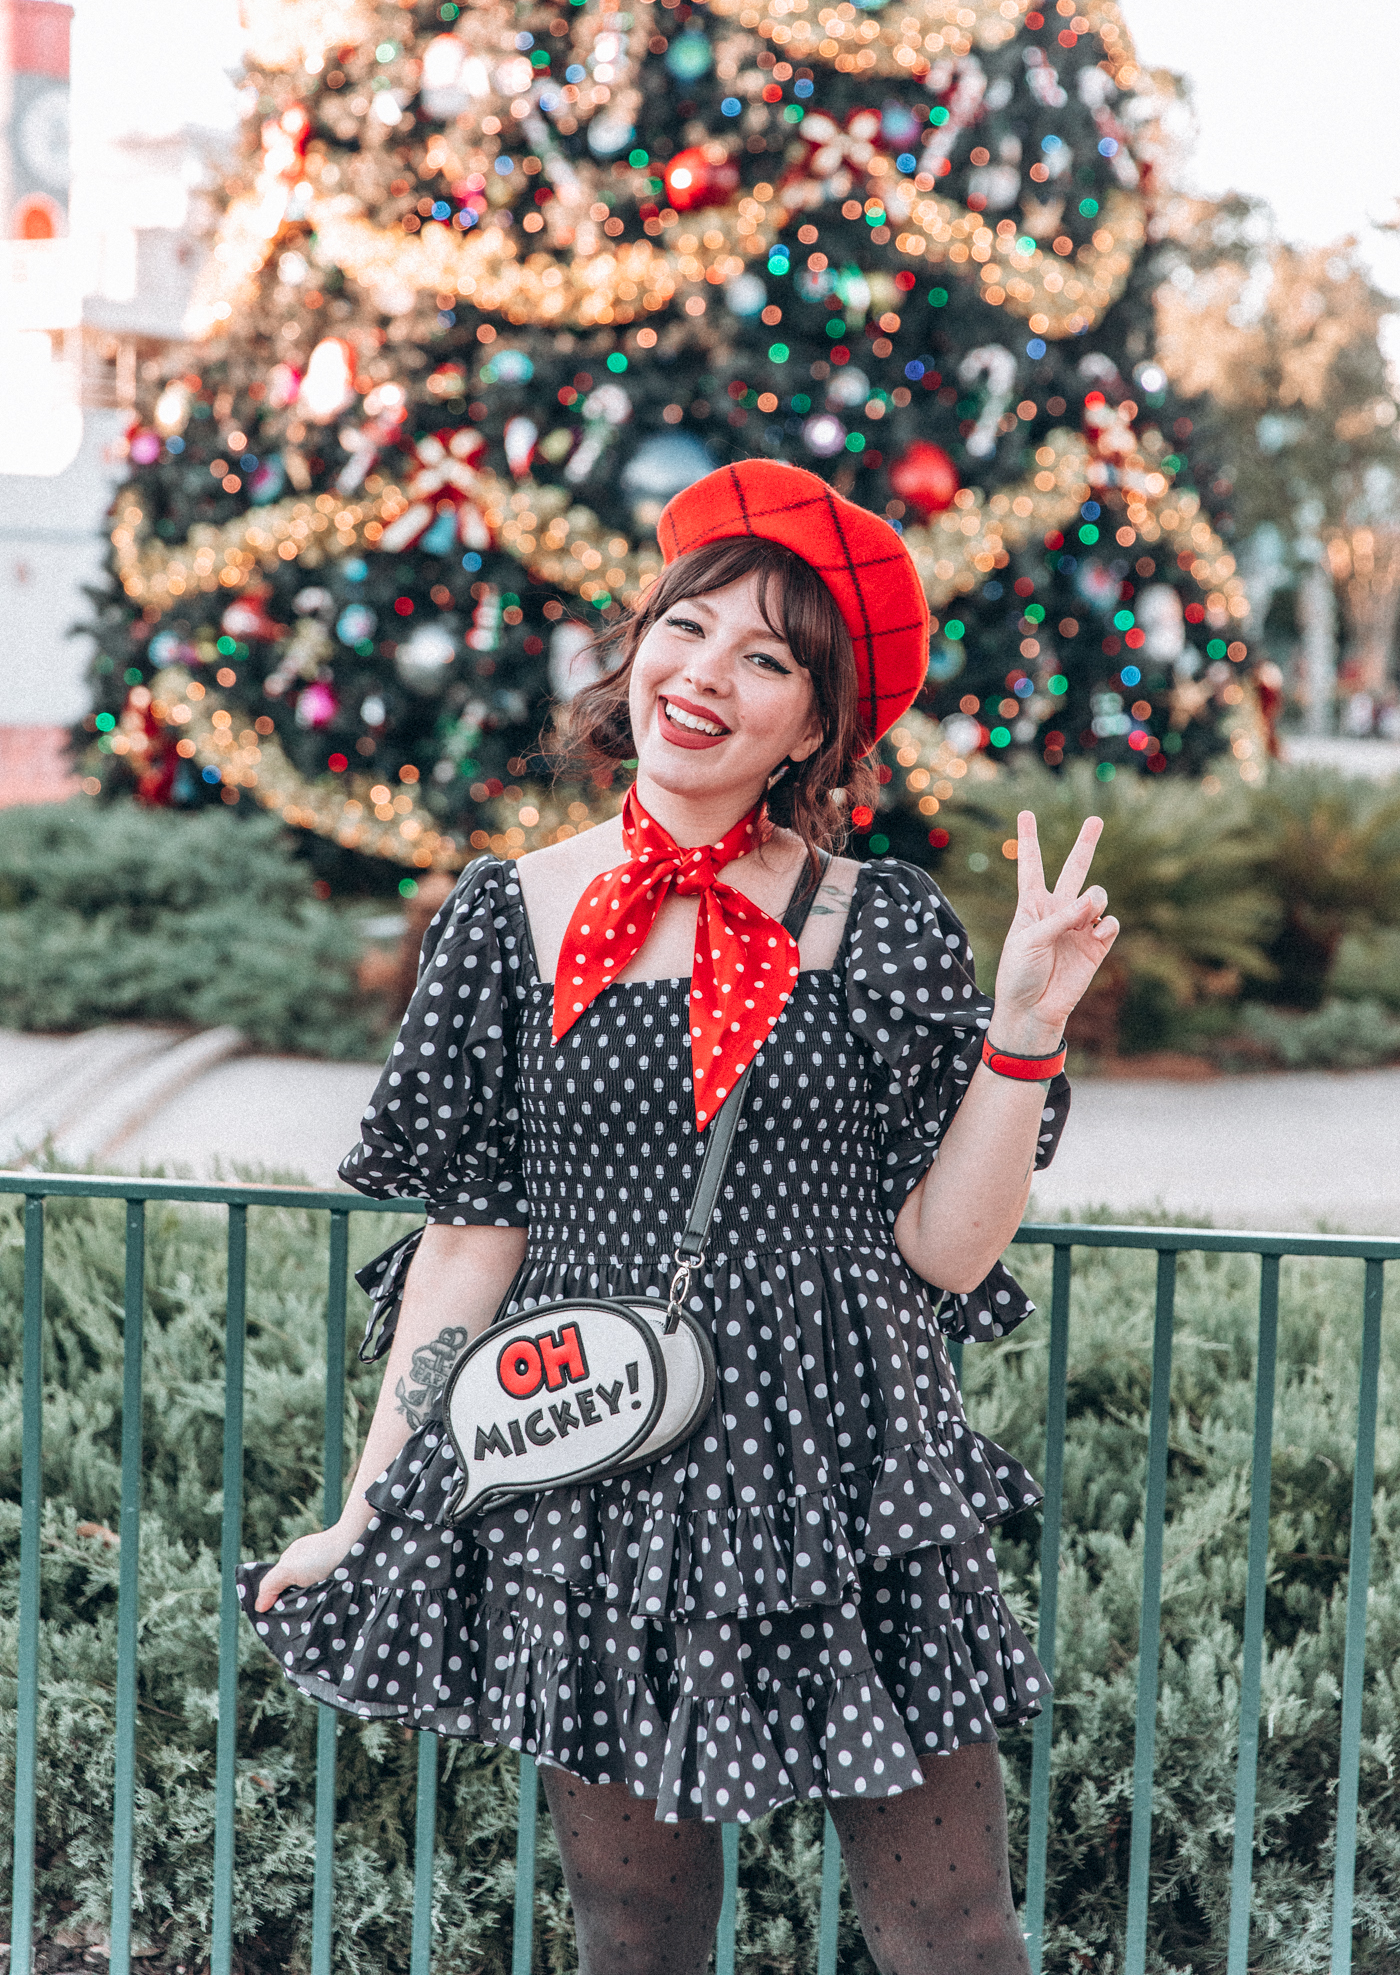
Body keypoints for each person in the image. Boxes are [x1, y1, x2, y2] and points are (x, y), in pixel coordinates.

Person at [240, 461, 1118, 1975]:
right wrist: (371, 1507)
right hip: (594, 1468)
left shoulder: (877, 919)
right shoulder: (508, 918)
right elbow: (468, 1250)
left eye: (766, 658)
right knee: (633, 1929)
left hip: (847, 1466)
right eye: (688, 628)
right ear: (637, 645)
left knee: (950, 1931)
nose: (707, 674)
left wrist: (1024, 1026)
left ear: (815, 728)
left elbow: (947, 1251)